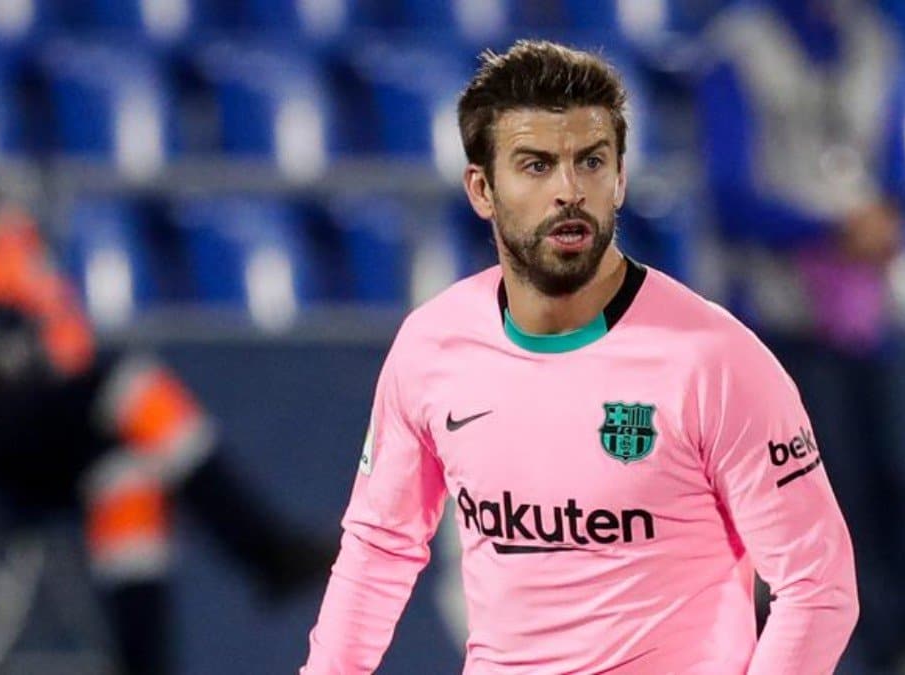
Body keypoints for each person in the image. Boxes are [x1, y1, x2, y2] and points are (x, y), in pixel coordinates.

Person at [302, 40, 858, 674]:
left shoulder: (717, 362)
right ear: (482, 190)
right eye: (536, 166)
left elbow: (819, 585)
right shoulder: (432, 348)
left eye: (590, 162)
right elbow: (380, 548)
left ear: (619, 179)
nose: (569, 190)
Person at [0, 91, 333, 675]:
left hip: (14, 422)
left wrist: (7, 337)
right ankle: (263, 549)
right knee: (124, 380)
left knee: (126, 471)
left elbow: (61, 331)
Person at [699, 1, 905, 672]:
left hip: (870, 314)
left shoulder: (873, 41)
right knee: (811, 497)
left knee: (897, 478)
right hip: (780, 321)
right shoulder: (739, 47)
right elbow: (728, 194)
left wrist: (884, 224)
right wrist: (829, 231)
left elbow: (900, 174)